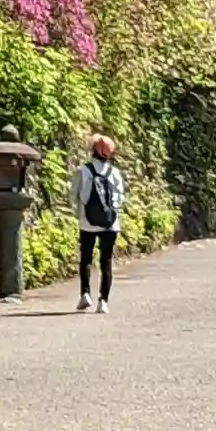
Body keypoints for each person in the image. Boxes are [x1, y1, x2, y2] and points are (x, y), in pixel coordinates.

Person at [74, 134, 124, 313]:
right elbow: (120, 199)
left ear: (93, 150)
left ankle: (85, 294)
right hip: (110, 224)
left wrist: (80, 214)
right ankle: (103, 302)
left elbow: (73, 196)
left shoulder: (83, 171)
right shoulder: (115, 173)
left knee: (86, 259)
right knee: (106, 262)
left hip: (87, 222)